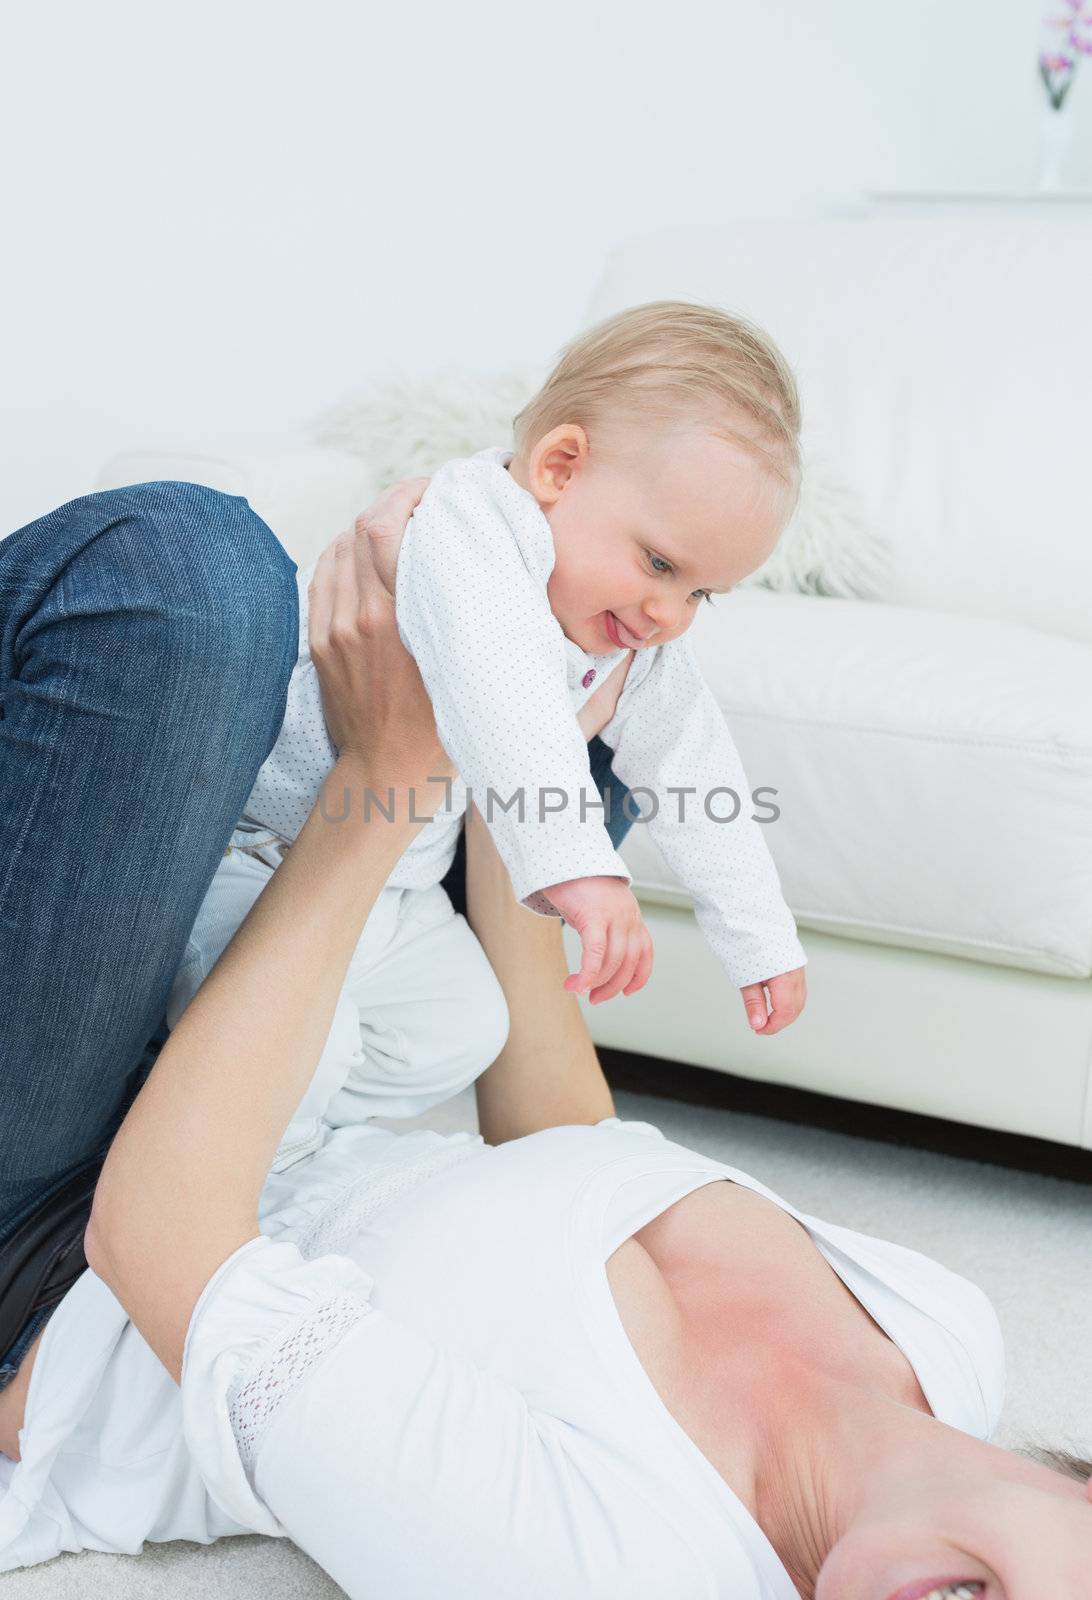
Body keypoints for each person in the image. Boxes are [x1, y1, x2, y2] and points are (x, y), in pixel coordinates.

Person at [2, 506, 1089, 1597]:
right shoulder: (950, 1333)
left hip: (61, 1256)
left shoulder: (626, 1569)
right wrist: (516, 778)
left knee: (191, 580)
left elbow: (158, 1240)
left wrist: (391, 771)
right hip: (292, 1093)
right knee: (578, 692)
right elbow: (570, 1155)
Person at [176, 303, 807, 1143]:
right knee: (300, 1050)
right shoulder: (469, 526)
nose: (670, 614)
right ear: (559, 467)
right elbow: (500, 687)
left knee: (462, 1029)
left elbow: (692, 760)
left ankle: (305, 1149)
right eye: (660, 563)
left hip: (394, 893)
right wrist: (581, 869)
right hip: (258, 866)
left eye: (700, 592)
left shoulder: (629, 623)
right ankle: (235, 1168)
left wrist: (759, 934)